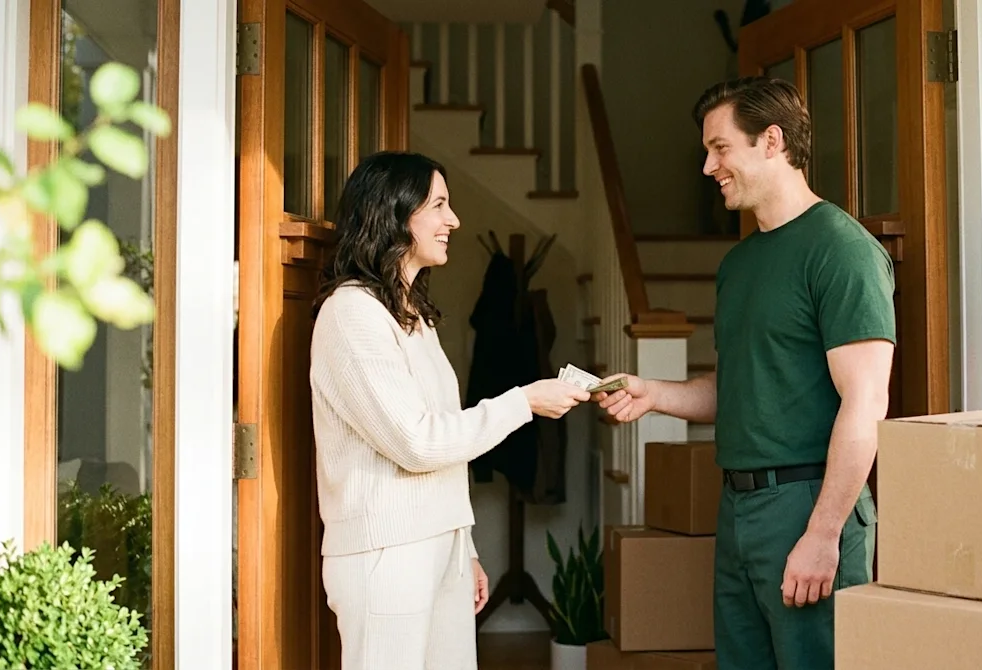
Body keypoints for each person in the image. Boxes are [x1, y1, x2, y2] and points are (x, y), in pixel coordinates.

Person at [595, 78, 895, 669]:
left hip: (808, 503)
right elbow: (739, 390)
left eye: (720, 148)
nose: (708, 167)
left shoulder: (841, 249)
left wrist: (823, 534)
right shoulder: (739, 265)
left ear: (771, 141)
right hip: (737, 509)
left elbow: (866, 402)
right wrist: (653, 393)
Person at [309, 151, 590, 670]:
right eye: (438, 204)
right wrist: (524, 401)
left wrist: (465, 546)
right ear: (394, 214)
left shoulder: (414, 314)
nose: (453, 221)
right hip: (385, 557)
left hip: (440, 549)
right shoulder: (351, 315)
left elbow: (441, 440)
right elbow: (418, 442)